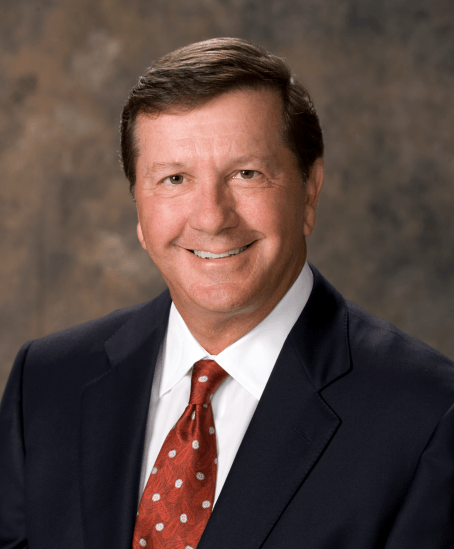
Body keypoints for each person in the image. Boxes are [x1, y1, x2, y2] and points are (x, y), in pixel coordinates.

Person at [1, 37, 454, 549]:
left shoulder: (429, 415)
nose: (212, 218)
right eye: (174, 178)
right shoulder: (45, 383)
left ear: (309, 190)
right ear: (139, 210)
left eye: (246, 174)